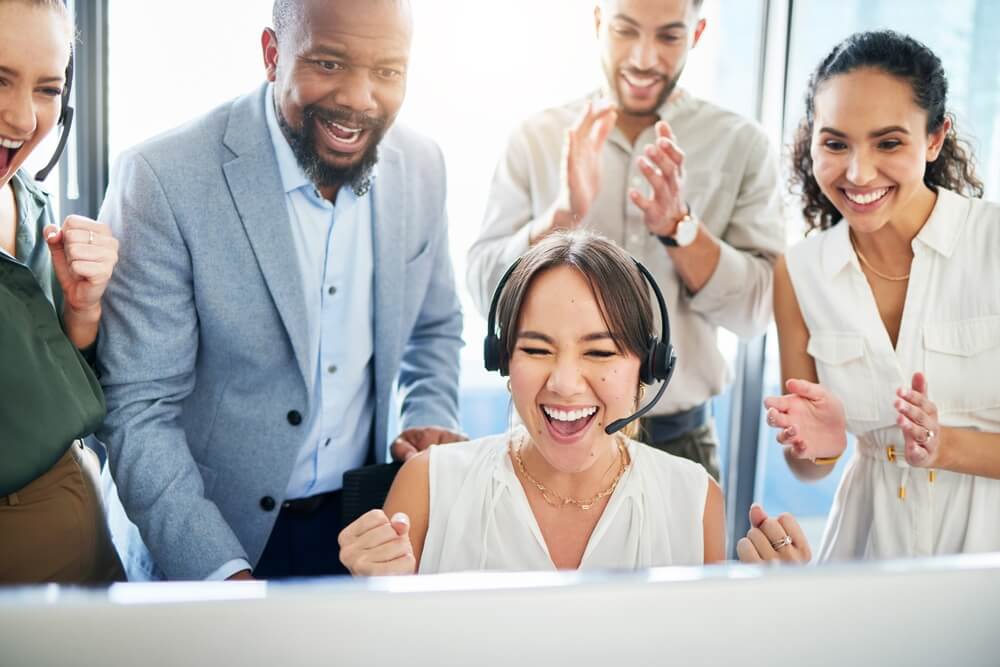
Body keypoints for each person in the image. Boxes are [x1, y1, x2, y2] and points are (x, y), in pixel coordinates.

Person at [96, 0, 464, 581]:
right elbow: (139, 410)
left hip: (362, 534)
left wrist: (425, 417)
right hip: (210, 538)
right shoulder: (162, 178)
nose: (360, 98)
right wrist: (220, 573)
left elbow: (434, 327)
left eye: (388, 72)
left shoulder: (423, 166)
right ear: (273, 55)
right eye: (328, 63)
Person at [466, 0, 785, 480]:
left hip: (680, 444)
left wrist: (681, 228)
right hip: (553, 434)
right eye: (625, 31)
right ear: (598, 22)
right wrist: (563, 212)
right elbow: (482, 290)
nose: (643, 58)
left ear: (696, 33)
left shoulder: (742, 145)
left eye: (668, 37)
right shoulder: (537, 136)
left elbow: (756, 311)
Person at [738, 31, 1000, 565]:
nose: (858, 173)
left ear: (934, 138)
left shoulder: (991, 244)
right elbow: (810, 465)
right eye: (835, 144)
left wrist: (945, 445)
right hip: (867, 545)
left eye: (888, 143)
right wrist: (823, 441)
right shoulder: (800, 271)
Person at [339, 231, 725, 575]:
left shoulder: (694, 502)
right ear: (502, 359)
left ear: (648, 365)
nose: (564, 384)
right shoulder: (429, 484)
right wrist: (378, 595)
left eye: (600, 352)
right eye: (537, 349)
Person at [0, 0, 122, 583]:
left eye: (48, 89)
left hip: (83, 526)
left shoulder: (30, 199)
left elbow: (56, 367)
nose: (24, 119)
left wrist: (83, 307)